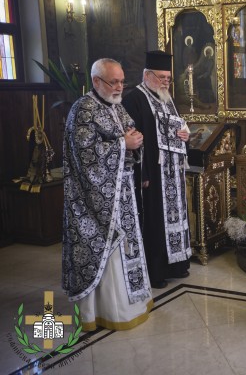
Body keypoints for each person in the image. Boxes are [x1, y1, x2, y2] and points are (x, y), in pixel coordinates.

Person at [62, 58, 152, 331]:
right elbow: (85, 157)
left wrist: (134, 141)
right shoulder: (83, 109)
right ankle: (102, 313)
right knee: (106, 251)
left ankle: (130, 306)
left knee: (126, 249)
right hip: (93, 200)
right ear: (96, 81)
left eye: (122, 81)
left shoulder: (116, 106)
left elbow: (129, 133)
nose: (120, 86)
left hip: (121, 193)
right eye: (114, 81)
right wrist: (123, 145)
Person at [122, 50, 192, 289]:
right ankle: (157, 271)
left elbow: (178, 127)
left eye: (168, 78)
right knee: (155, 222)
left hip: (173, 173)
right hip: (152, 175)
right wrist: (144, 174)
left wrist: (185, 135)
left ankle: (177, 265)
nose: (165, 82)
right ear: (147, 75)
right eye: (162, 77)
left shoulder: (167, 98)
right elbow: (134, 139)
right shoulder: (135, 99)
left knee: (175, 218)